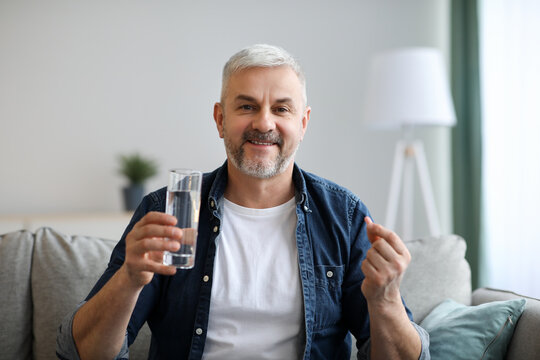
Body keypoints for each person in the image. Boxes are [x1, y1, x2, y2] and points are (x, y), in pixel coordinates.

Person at [57, 44, 429, 360]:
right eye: (247, 106)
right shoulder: (170, 209)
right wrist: (129, 279)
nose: (264, 123)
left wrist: (386, 301)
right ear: (220, 119)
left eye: (281, 109)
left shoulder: (343, 216)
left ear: (303, 123)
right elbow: (82, 352)